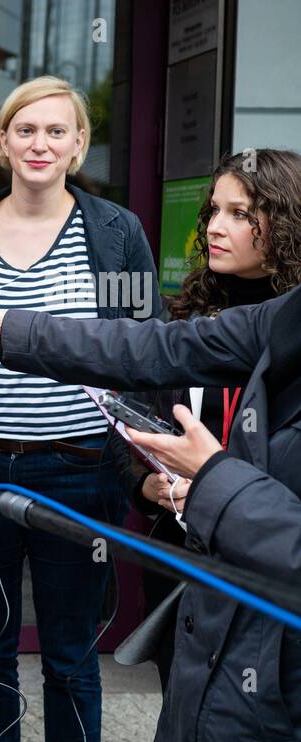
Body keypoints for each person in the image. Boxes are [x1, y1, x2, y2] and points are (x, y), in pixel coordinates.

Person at [0, 278, 301, 742]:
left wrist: (216, 479)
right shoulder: (286, 318)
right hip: (234, 684)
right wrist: (16, 331)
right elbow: (155, 347)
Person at [0, 76, 158, 742]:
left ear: (78, 146)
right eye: (24, 131)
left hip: (79, 470)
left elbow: (142, 354)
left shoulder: (115, 231)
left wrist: (146, 461)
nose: (39, 145)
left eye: (56, 132)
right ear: (2, 143)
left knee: (68, 651)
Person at [121, 149, 301, 688]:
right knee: (182, 711)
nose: (216, 227)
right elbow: (129, 416)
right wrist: (146, 486)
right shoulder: (185, 314)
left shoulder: (290, 333)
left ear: (286, 222)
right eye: (214, 211)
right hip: (181, 555)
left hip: (267, 565)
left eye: (241, 214)